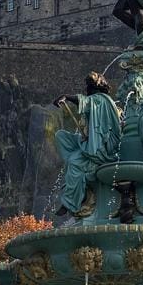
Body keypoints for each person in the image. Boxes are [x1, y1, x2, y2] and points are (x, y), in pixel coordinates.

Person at [53, 72, 119, 218]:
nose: (88, 88)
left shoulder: (102, 100)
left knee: (74, 162)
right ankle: (78, 166)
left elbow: (87, 102)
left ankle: (69, 201)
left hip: (101, 147)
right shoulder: (95, 101)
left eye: (91, 85)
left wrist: (66, 97)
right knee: (61, 136)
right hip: (89, 141)